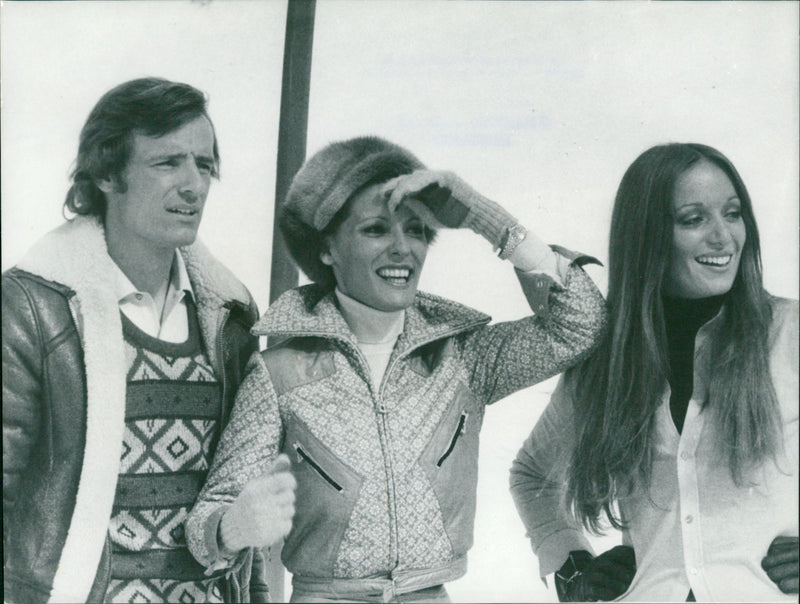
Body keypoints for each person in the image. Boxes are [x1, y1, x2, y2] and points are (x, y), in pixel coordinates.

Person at [185, 135, 607, 603]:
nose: (403, 249)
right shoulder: (279, 374)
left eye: (417, 230)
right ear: (327, 248)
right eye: (376, 230)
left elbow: (580, 326)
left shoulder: (464, 358)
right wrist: (230, 527)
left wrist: (485, 219)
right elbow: (207, 521)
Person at [2, 77, 278, 603]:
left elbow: (241, 499)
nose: (194, 184)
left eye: (204, 165)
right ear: (107, 174)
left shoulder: (232, 319)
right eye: (168, 162)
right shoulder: (32, 308)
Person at [510, 143, 799, 602]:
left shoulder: (791, 334)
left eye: (732, 213)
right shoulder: (604, 361)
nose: (724, 237)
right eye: (693, 219)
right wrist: (571, 563)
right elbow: (531, 475)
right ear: (645, 236)